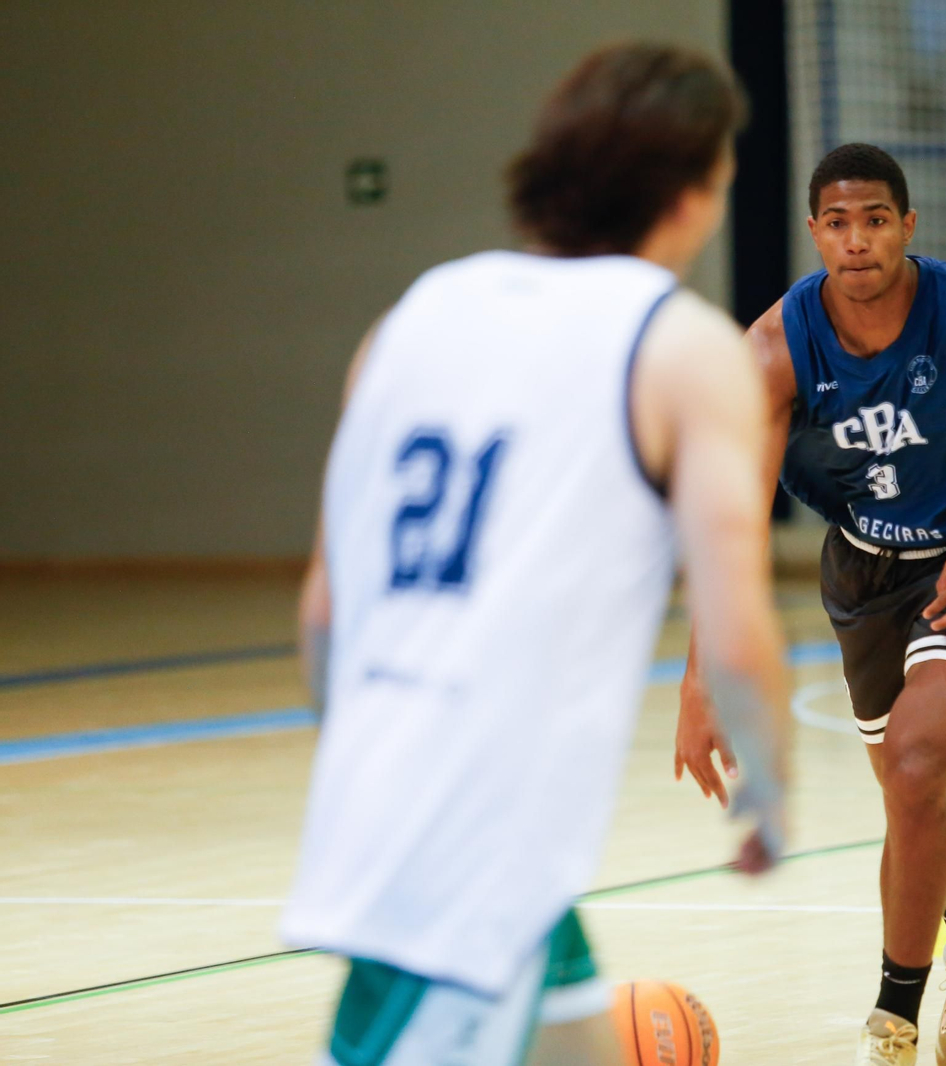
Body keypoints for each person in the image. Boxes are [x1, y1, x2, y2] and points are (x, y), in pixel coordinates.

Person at [280, 44, 791, 1066]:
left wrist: (380, 767)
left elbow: (324, 612)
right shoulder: (685, 350)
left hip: (413, 806)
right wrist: (770, 793)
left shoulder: (411, 319)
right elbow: (735, 627)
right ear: (691, 195)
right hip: (478, 839)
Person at [674, 143, 946, 1065]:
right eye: (838, 223)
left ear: (907, 227)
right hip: (864, 575)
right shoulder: (774, 348)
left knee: (917, 769)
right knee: (922, 789)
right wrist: (699, 676)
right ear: (814, 233)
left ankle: (893, 1023)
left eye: (875, 220)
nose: (857, 241)